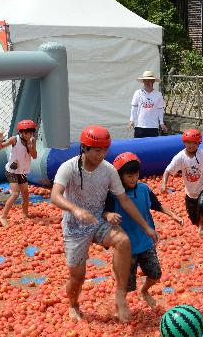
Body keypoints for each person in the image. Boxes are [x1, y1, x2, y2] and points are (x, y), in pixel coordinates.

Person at [50, 126, 157, 322]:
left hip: (98, 221)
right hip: (75, 228)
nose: (102, 155)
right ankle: (73, 305)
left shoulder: (108, 170)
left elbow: (124, 200)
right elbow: (55, 196)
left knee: (123, 241)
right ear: (84, 148)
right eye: (97, 150)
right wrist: (75, 209)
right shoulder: (69, 167)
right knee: (78, 277)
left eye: (105, 150)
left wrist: (145, 226)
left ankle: (120, 295)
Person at [104, 152, 183, 307]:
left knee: (155, 275)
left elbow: (157, 205)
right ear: (120, 176)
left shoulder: (144, 189)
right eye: (129, 176)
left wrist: (173, 215)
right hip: (126, 246)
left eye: (136, 175)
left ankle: (145, 291)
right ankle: (121, 302)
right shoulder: (114, 195)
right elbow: (104, 211)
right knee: (127, 285)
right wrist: (109, 215)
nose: (134, 179)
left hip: (146, 242)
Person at [161, 129, 203, 234]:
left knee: (202, 205)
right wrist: (163, 184)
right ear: (184, 142)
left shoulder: (202, 154)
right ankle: (199, 220)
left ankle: (202, 221)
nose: (191, 145)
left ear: (199, 143)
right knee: (193, 219)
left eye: (194, 143)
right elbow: (168, 170)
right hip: (190, 191)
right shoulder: (180, 157)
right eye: (188, 142)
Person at [0, 119, 38, 227]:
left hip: (22, 172)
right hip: (12, 171)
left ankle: (24, 214)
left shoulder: (32, 140)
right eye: (26, 132)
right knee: (15, 193)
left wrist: (30, 147)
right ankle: (3, 216)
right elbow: (0, 147)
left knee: (25, 194)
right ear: (21, 132)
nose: (29, 135)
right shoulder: (14, 139)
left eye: (31, 132)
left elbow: (34, 156)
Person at [129, 70, 167, 138]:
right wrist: (132, 120)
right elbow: (134, 107)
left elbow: (160, 109)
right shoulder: (138, 93)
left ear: (153, 81)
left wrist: (161, 123)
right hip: (140, 125)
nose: (147, 82)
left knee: (153, 146)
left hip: (153, 126)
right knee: (138, 146)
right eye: (145, 80)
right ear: (143, 81)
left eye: (150, 80)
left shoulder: (158, 94)